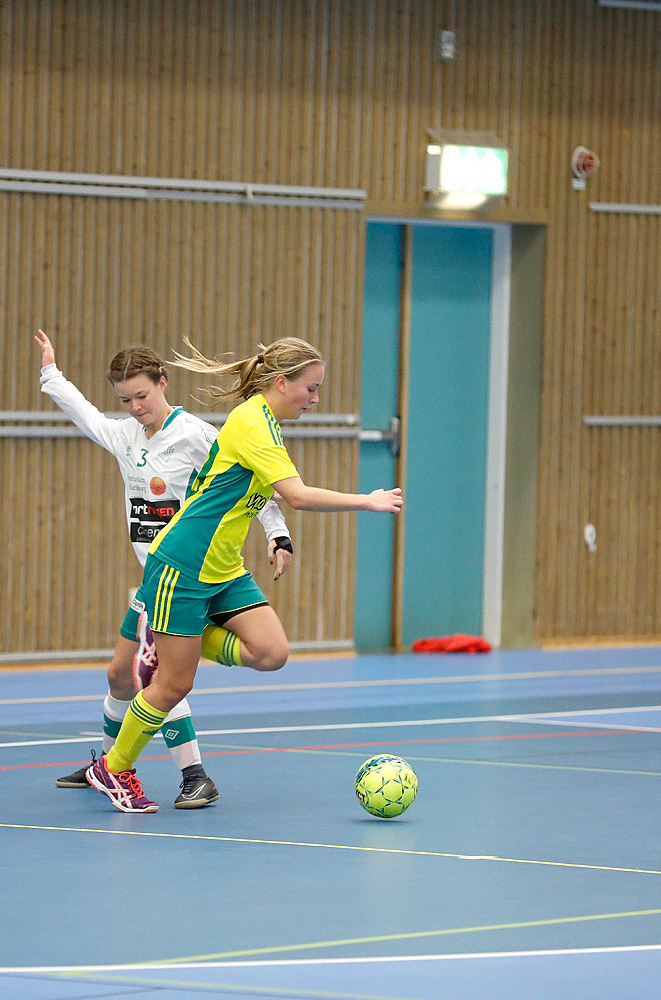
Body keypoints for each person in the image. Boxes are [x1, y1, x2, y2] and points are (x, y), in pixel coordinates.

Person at [86, 336, 403, 813]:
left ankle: (173, 636)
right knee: (173, 685)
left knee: (271, 652)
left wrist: (277, 536)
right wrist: (368, 500)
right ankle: (113, 768)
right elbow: (294, 494)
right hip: (184, 565)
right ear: (282, 382)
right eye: (311, 388)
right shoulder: (252, 422)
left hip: (224, 568)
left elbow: (268, 500)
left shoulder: (267, 424)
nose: (315, 399)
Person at [34, 330, 295, 808]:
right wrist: (52, 373)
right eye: (126, 399)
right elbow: (86, 414)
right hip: (156, 580)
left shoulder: (196, 435)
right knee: (120, 674)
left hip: (191, 574)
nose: (135, 407)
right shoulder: (125, 435)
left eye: (142, 395)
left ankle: (192, 773)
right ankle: (110, 760)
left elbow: (255, 483)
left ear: (164, 383)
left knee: (162, 675)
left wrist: (276, 533)